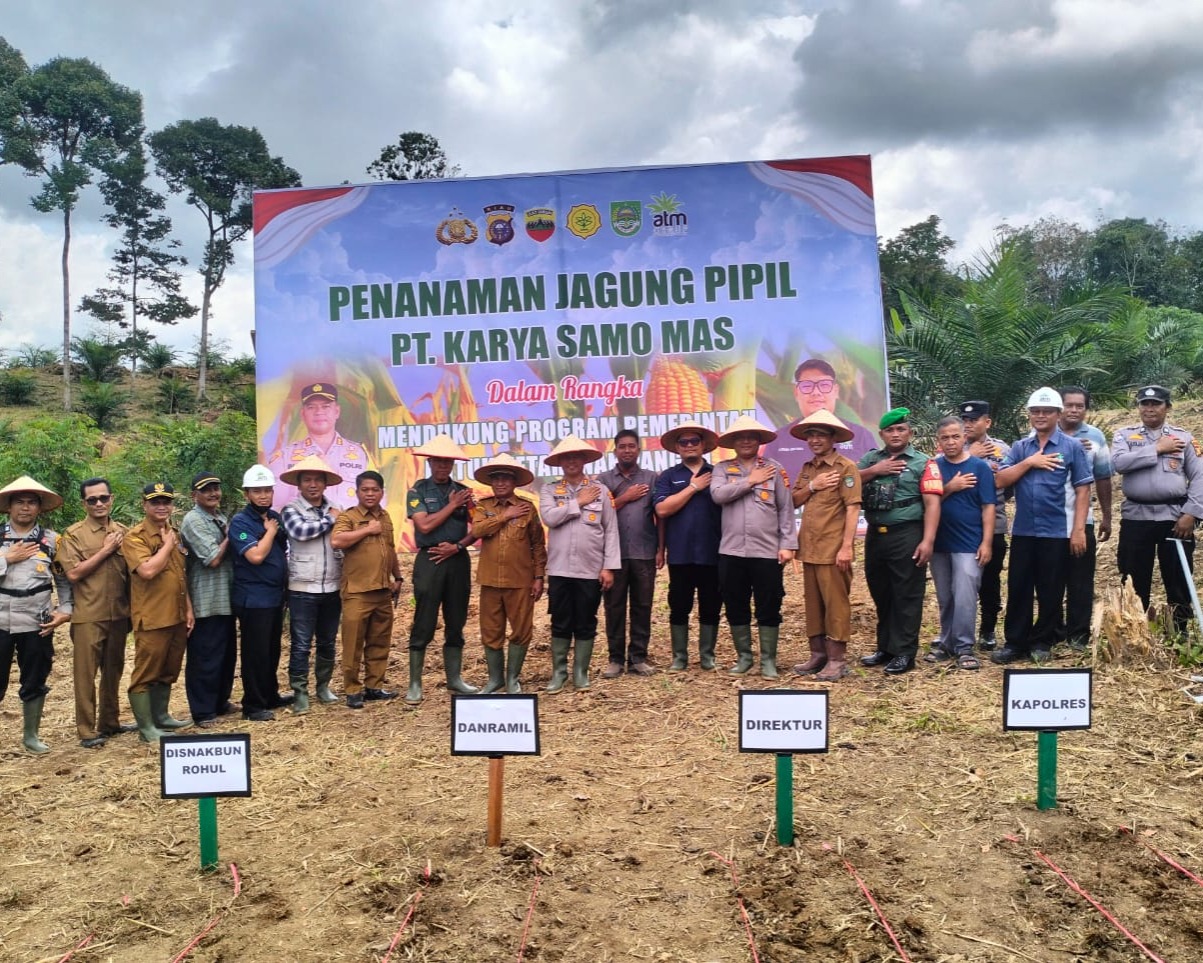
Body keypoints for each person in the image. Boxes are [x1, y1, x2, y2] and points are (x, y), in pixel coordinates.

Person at [991, 388, 1093, 664]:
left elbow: (1083, 489)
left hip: (1057, 530)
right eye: (1035, 411)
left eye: (1047, 411)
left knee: (1051, 588)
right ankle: (1015, 642)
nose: (1040, 416)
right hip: (1024, 531)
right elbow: (1000, 480)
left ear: (1058, 415)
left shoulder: (1072, 447)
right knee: (1019, 586)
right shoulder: (1020, 447)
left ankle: (1042, 641)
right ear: (1029, 415)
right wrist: (1030, 462)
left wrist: (1079, 530)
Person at [1111, 385, 1203, 634]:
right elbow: (1119, 463)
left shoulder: (1183, 438)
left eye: (1156, 404)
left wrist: (1191, 513)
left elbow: (1199, 477)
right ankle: (1135, 630)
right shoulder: (1125, 436)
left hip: (1174, 518)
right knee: (1132, 575)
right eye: (1144, 404)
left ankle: (1180, 632)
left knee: (1178, 578)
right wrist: (1157, 449)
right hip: (1136, 517)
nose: (1149, 408)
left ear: (1167, 407)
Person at [858, 408, 943, 675]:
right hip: (875, 534)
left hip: (907, 534)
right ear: (881, 434)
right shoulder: (870, 459)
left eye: (901, 429)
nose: (895, 434)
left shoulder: (923, 463)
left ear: (910, 432)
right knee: (881, 592)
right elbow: (847, 482)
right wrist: (875, 470)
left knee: (907, 594)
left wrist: (927, 541)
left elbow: (932, 503)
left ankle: (905, 653)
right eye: (890, 430)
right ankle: (886, 648)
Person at [710, 415, 796, 679]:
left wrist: (788, 544)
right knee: (735, 603)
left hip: (767, 551)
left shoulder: (775, 469)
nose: (746, 440)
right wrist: (750, 481)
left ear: (759, 441)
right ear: (733, 442)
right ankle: (744, 657)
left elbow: (786, 509)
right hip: (731, 551)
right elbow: (718, 495)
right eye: (740, 437)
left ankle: (768, 660)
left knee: (769, 604)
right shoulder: (722, 469)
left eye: (751, 436)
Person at [56, 477, 135, 748]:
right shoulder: (74, 534)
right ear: (84, 503)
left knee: (113, 671)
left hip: (119, 614)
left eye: (103, 498)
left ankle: (110, 722)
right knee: (85, 675)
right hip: (89, 614)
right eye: (92, 500)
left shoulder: (124, 530)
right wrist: (106, 550)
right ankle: (87, 730)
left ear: (112, 499)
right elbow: (74, 573)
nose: (99, 503)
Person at [540, 435, 620, 693]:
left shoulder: (601, 491)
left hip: (590, 568)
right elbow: (550, 517)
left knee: (587, 620)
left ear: (585, 460)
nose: (572, 461)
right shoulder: (550, 490)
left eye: (577, 456)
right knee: (561, 620)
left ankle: (580, 673)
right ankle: (559, 673)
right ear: (560, 462)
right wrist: (579, 502)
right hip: (560, 568)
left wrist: (608, 566)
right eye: (567, 457)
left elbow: (611, 530)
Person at [0, 477, 72, 753]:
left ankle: (31, 736)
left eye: (32, 502)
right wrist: (7, 558)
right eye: (19, 502)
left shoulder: (52, 540)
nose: (25, 508)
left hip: (36, 620)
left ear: (40, 508)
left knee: (35, 677)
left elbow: (64, 580)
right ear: (9, 507)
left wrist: (65, 610)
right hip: (1, 620)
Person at [404, 435, 477, 705]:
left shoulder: (464, 491)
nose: (443, 465)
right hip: (430, 559)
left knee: (456, 619)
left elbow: (477, 529)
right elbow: (424, 526)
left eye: (448, 461)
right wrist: (452, 505)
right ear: (430, 462)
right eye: (438, 461)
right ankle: (414, 683)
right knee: (424, 619)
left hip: (457, 559)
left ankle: (455, 679)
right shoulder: (418, 490)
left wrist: (458, 546)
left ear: (453, 464)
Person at [789, 410, 862, 682]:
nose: (815, 440)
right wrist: (814, 486)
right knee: (814, 605)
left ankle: (836, 659)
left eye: (821, 434)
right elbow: (794, 501)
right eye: (811, 435)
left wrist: (846, 547)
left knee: (836, 605)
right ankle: (818, 654)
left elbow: (852, 509)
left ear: (833, 438)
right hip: (810, 548)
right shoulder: (809, 469)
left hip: (833, 549)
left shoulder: (845, 467)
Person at [122, 482, 194, 743]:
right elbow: (148, 571)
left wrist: (188, 610)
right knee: (145, 673)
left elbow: (180, 575)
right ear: (144, 505)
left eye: (166, 501)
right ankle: (146, 728)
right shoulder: (136, 537)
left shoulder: (172, 532)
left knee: (168, 669)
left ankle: (161, 716)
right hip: (152, 617)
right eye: (155, 502)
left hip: (175, 615)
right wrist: (166, 546)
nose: (162, 506)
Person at [471, 454, 547, 693]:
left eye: (506, 478)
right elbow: (478, 530)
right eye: (497, 479)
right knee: (491, 631)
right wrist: (505, 516)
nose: (501, 483)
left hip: (521, 580)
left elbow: (537, 544)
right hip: (490, 580)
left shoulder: (527, 508)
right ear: (491, 483)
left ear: (514, 482)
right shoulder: (484, 506)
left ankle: (513, 678)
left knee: (522, 629)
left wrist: (539, 576)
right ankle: (495, 679)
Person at [653, 421, 724, 672]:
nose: (690, 445)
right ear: (677, 447)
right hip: (681, 553)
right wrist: (693, 487)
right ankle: (679, 657)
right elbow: (662, 509)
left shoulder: (718, 473)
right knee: (679, 604)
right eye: (684, 442)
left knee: (711, 604)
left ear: (703, 445)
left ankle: (707, 656)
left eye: (695, 441)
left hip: (713, 552)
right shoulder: (669, 477)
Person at [926, 417, 995, 670]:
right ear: (938, 441)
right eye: (945, 437)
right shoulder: (933, 467)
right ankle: (946, 642)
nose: (951, 441)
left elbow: (989, 507)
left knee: (965, 594)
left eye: (956, 436)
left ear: (964, 437)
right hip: (940, 543)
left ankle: (965, 646)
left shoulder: (980, 467)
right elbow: (928, 502)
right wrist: (951, 487)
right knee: (945, 595)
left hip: (968, 542)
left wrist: (986, 542)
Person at [331, 470, 404, 708]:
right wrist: (366, 530)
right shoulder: (348, 516)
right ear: (358, 491)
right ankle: (352, 689)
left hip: (383, 590)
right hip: (357, 591)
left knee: (380, 641)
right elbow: (337, 541)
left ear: (382, 492)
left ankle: (375, 686)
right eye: (365, 489)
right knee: (353, 643)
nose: (370, 494)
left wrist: (398, 577)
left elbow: (390, 548)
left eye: (375, 490)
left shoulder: (385, 517)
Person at [279, 455, 345, 712]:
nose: (313, 484)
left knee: (328, 640)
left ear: (326, 484)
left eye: (318, 479)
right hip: (302, 587)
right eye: (307, 479)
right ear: (299, 484)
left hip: (332, 585)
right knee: (302, 643)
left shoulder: (336, 506)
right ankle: (300, 692)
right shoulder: (291, 510)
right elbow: (300, 532)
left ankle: (323, 686)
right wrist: (331, 519)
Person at [596, 429, 661, 678]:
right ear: (615, 450)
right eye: (622, 446)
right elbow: (600, 513)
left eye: (631, 446)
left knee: (642, 605)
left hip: (644, 551)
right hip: (613, 554)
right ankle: (615, 659)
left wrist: (660, 548)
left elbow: (659, 515)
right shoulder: (603, 480)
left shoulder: (651, 478)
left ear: (639, 450)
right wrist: (624, 498)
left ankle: (638, 658)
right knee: (614, 606)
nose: (627, 450)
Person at [228, 465, 290, 722]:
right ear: (247, 494)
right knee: (255, 653)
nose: (263, 495)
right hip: (254, 598)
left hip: (275, 596)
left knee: (272, 648)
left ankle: (269, 694)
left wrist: (274, 528)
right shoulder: (241, 522)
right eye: (257, 491)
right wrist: (271, 531)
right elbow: (255, 555)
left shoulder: (274, 515)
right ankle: (252, 705)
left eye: (267, 490)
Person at [178, 471, 237, 728]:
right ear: (194, 495)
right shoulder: (193, 520)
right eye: (206, 489)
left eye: (216, 488)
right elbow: (212, 559)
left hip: (226, 597)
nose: (213, 493)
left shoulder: (218, 517)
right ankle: (202, 711)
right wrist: (231, 536)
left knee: (226, 655)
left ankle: (220, 702)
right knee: (205, 657)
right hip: (206, 600)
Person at [1056, 386, 1113, 649]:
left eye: (1080, 406)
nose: (1074, 410)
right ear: (1060, 407)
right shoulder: (1041, 433)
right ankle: (1053, 630)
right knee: (1050, 577)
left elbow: (1103, 477)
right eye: (1069, 405)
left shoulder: (1095, 436)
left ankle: (1078, 634)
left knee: (1081, 579)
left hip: (1082, 520)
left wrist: (1107, 516)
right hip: (1049, 521)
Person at [762, 357, 877, 483]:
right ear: (796, 393)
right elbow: (767, 485)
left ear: (835, 391)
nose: (816, 392)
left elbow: (876, 478)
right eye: (807, 386)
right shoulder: (778, 440)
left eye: (824, 385)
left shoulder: (860, 436)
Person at [268, 382, 380, 511]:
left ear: (337, 411)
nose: (319, 412)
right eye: (311, 407)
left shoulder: (360, 454)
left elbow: (378, 501)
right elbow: (276, 506)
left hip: (351, 529)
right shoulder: (284, 457)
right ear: (303, 414)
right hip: (305, 529)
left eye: (325, 406)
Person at [958, 401, 1011, 650]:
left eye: (974, 420)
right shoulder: (953, 446)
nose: (968, 424)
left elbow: (1008, 483)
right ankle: (960, 631)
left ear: (987, 422)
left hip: (995, 523)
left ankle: (988, 629)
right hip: (961, 526)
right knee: (961, 580)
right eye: (965, 420)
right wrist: (972, 457)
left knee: (990, 580)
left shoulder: (1002, 448)